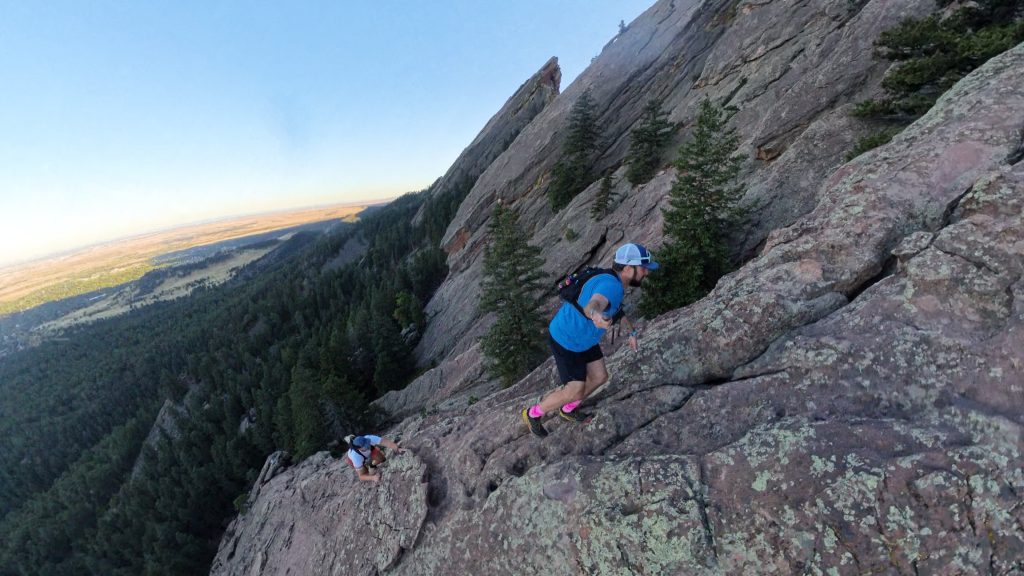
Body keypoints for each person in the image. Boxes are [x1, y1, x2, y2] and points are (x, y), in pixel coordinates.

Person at [521, 243, 659, 438]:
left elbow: (617, 311)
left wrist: (632, 333)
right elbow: (593, 305)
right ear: (628, 268)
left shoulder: (613, 281)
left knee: (600, 376)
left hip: (584, 339)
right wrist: (596, 315)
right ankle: (532, 414)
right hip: (567, 340)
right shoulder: (610, 286)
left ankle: (567, 410)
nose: (646, 273)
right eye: (644, 268)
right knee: (574, 391)